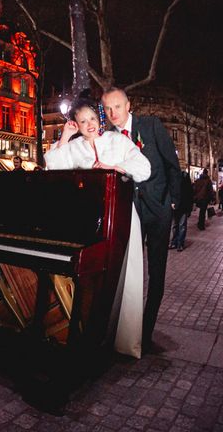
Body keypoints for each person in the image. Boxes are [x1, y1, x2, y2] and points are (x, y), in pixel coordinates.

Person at [45, 99, 151, 358]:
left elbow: (144, 168)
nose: (89, 125)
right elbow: (52, 165)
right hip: (89, 219)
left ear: (100, 119)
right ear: (77, 125)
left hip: (122, 217)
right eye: (82, 121)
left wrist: (116, 167)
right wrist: (65, 136)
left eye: (92, 118)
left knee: (124, 276)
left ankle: (123, 340)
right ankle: (90, 335)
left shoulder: (117, 141)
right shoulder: (75, 146)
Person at [102, 87, 181, 354]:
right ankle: (128, 330)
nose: (113, 114)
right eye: (108, 109)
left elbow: (172, 165)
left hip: (158, 210)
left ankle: (146, 333)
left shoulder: (151, 126)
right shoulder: (107, 138)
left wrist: (171, 203)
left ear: (128, 105)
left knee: (156, 273)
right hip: (129, 213)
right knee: (128, 273)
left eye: (118, 107)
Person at [169, 172, 193, 251]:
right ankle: (175, 242)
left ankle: (179, 243)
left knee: (181, 225)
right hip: (175, 206)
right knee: (175, 225)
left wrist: (189, 208)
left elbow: (190, 194)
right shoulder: (172, 177)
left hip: (183, 206)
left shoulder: (185, 177)